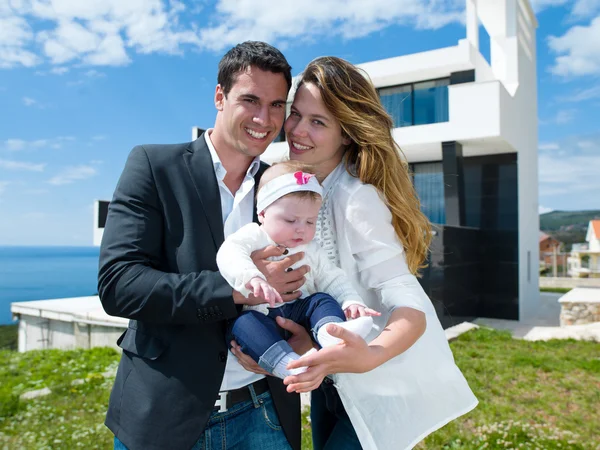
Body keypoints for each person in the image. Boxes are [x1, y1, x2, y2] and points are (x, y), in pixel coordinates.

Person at [232, 56, 478, 450]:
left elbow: (410, 304)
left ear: (347, 134)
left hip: (382, 382)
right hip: (337, 379)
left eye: (318, 121)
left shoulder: (356, 197)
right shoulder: (297, 186)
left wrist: (369, 356)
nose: (296, 130)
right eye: (296, 114)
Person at [98, 41, 308, 450]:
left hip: (265, 414)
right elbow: (119, 285)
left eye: (277, 105)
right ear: (219, 96)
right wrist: (237, 288)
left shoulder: (283, 187)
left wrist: (306, 337)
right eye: (250, 100)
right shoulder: (152, 166)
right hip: (164, 418)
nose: (264, 119)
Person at [217, 161, 379, 380]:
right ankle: (287, 364)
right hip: (261, 315)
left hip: (299, 312)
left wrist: (351, 302)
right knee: (243, 324)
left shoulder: (311, 249)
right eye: (291, 220)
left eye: (310, 221)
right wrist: (251, 276)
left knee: (321, 299)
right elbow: (230, 252)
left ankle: (330, 332)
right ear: (263, 213)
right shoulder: (255, 235)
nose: (301, 228)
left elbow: (332, 278)